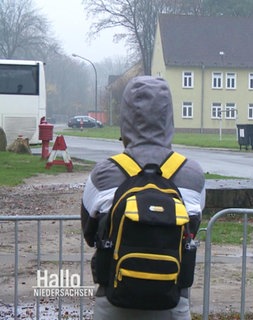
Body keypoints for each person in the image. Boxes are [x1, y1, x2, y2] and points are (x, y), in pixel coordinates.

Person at [80, 76, 206, 320]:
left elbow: (89, 232)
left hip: (113, 303)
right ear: (169, 116)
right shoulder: (193, 174)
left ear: (125, 117)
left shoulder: (103, 173)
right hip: (172, 303)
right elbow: (193, 227)